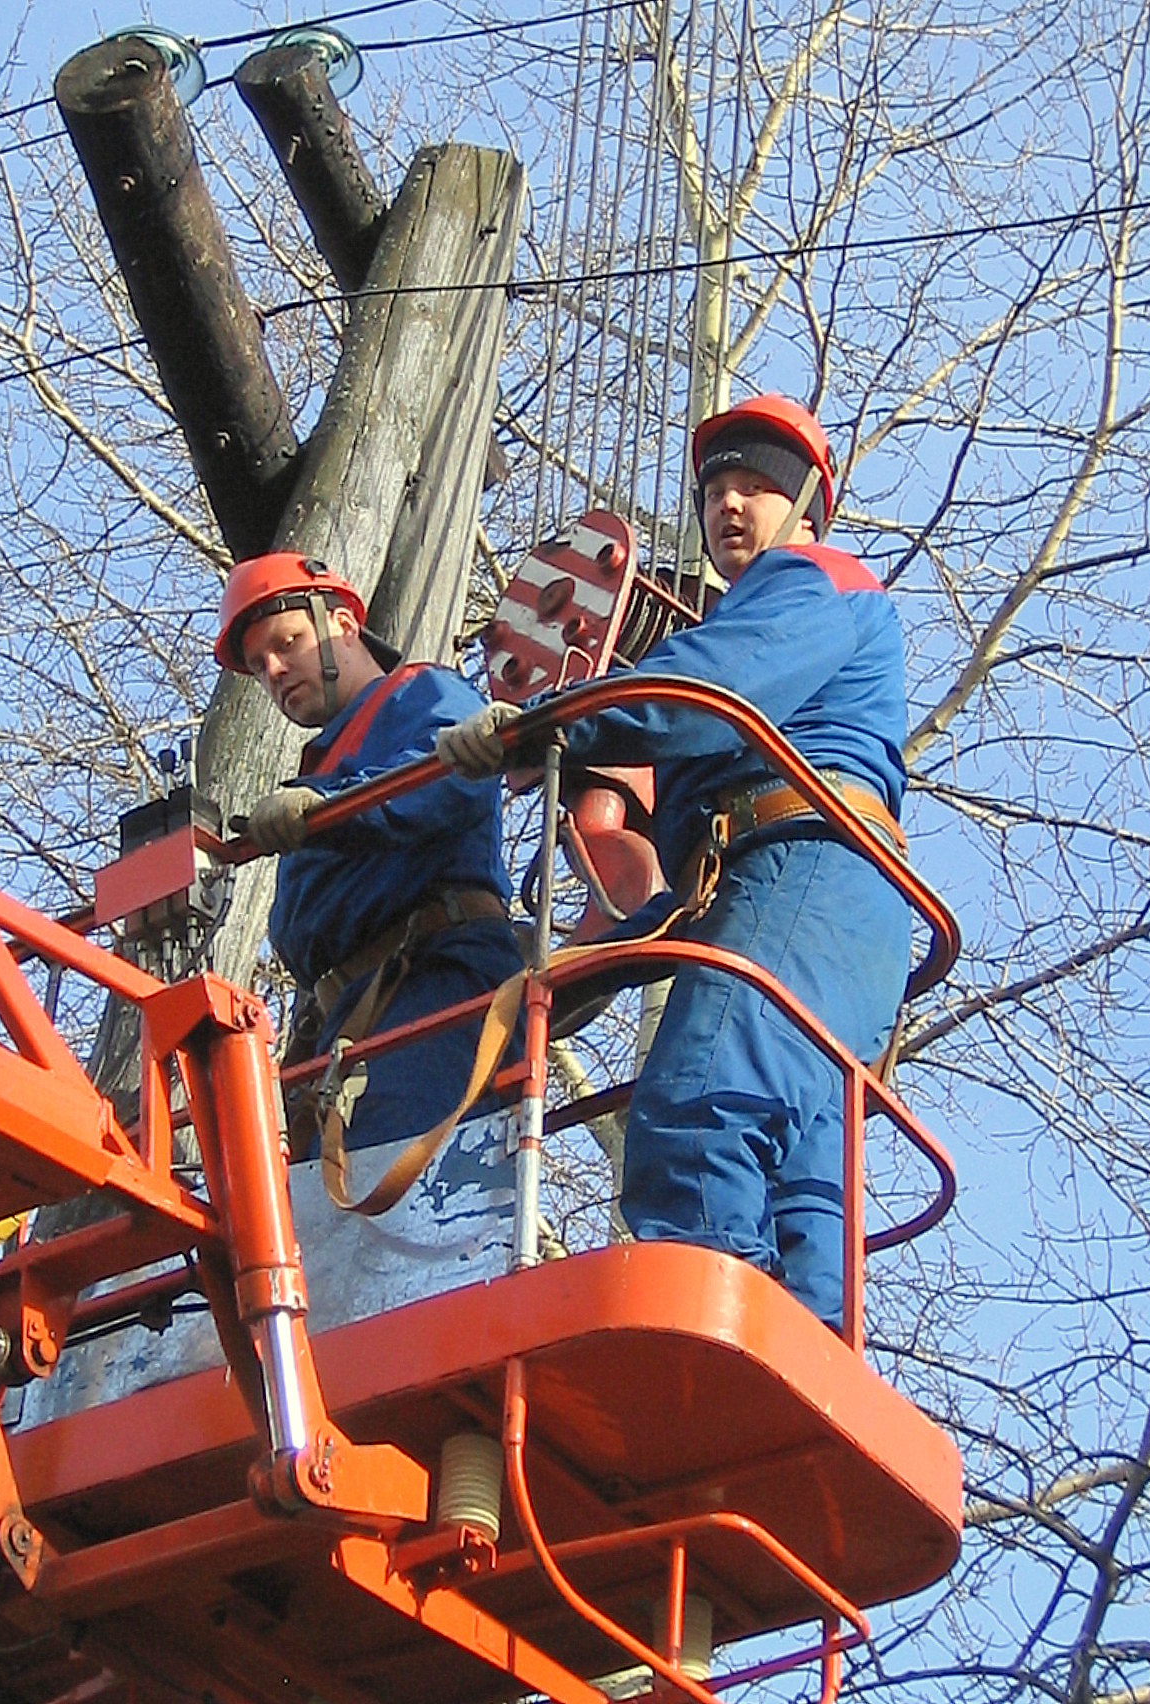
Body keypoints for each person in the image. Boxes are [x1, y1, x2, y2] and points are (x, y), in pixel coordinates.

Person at [437, 396, 910, 1328]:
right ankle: (812, 1383)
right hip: (840, 909)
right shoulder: (785, 636)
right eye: (718, 490)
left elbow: (699, 688)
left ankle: (710, 1379)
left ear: (807, 505)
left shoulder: (813, 580)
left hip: (799, 870)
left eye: (759, 488)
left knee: (697, 1112)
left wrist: (546, 721)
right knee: (801, 1183)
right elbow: (645, 846)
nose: (732, 504)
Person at [217, 551, 524, 1174]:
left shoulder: (424, 692)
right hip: (352, 1013)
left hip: (433, 982)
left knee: (398, 1188)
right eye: (259, 665)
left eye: (288, 643)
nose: (275, 671)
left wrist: (326, 812)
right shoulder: (327, 758)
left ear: (345, 628)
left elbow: (444, 785)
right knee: (323, 1217)